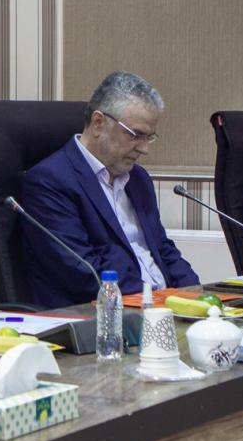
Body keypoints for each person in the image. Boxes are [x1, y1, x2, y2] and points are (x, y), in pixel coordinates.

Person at [18, 71, 199, 308]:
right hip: (102, 314)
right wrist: (156, 302)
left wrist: (198, 297)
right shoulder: (50, 181)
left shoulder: (138, 179)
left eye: (149, 137)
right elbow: (82, 271)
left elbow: (163, 250)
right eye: (135, 135)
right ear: (98, 123)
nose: (144, 149)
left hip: (161, 309)